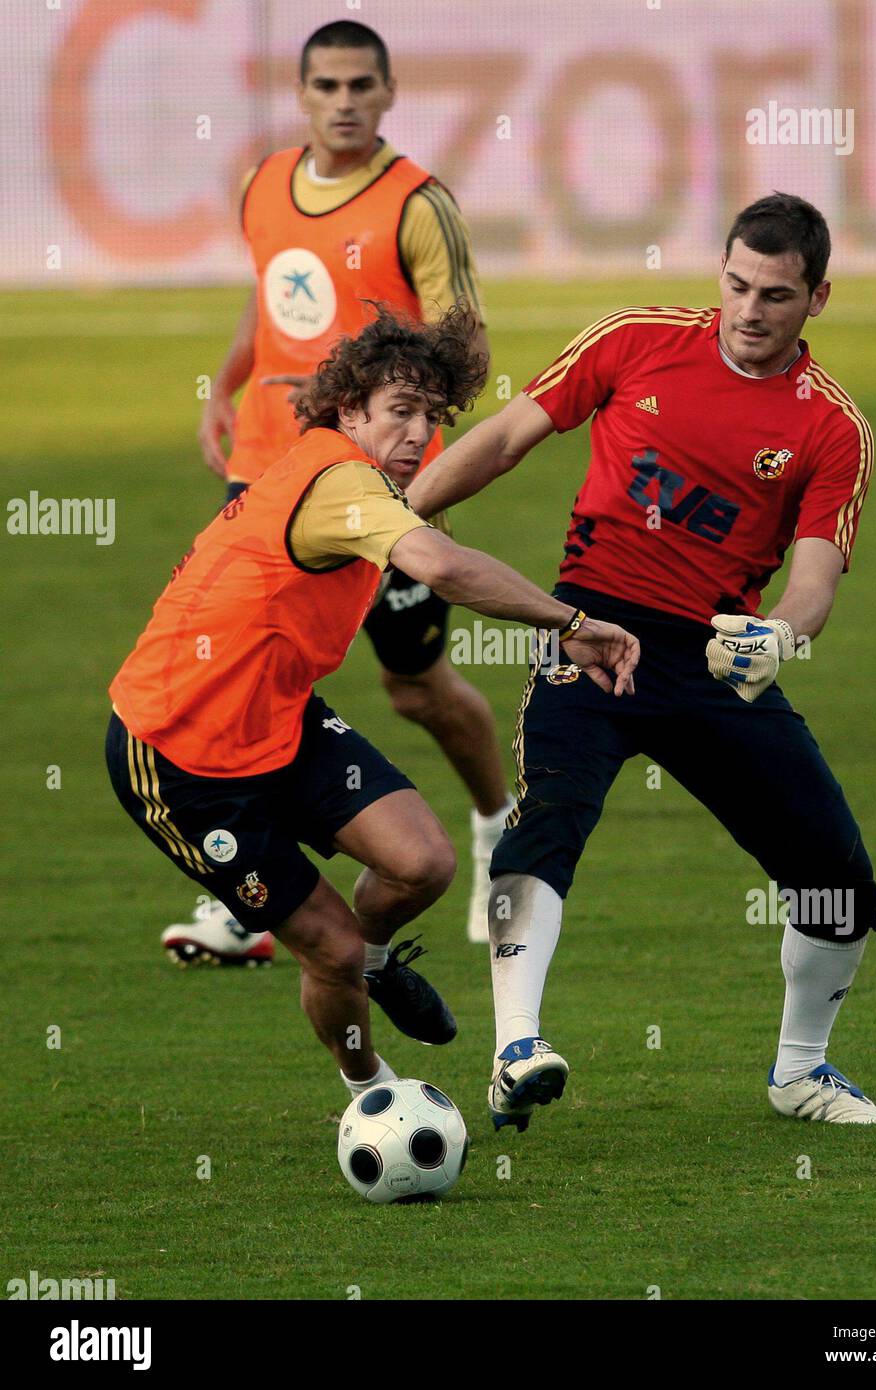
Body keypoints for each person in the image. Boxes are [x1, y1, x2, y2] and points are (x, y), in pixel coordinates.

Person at [407, 193, 876, 1132]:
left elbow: (815, 582)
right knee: (550, 817)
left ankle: (800, 1072)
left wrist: (777, 638)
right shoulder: (634, 340)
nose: (751, 310)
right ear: (721, 271)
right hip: (589, 632)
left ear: (818, 299)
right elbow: (507, 437)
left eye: (778, 295)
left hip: (715, 660)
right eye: (738, 284)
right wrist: (402, 514)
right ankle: (514, 1049)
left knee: (840, 882)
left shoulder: (833, 429)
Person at [107, 306, 639, 1096]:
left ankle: (378, 958)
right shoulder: (339, 485)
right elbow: (446, 569)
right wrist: (574, 623)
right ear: (349, 410)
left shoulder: (358, 480)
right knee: (330, 948)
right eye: (401, 411)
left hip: (277, 719)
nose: (421, 432)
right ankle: (375, 1096)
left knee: (422, 862)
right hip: (178, 753)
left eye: (433, 415)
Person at [164, 18, 507, 968]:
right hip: (270, 474)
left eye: (363, 85)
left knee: (413, 688)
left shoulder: (418, 206)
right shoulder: (261, 184)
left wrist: (411, 462)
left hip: (379, 482)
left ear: (389, 94)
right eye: (327, 86)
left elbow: (459, 350)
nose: (345, 102)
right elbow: (271, 292)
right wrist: (229, 382)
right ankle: (253, 890)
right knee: (246, 670)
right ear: (303, 94)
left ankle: (494, 832)